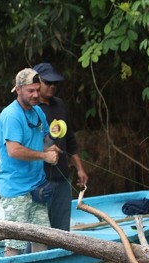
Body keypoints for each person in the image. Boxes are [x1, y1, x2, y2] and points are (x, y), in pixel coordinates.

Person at [0, 68, 61, 257]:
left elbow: (45, 140)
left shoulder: (38, 112)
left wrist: (52, 143)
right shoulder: (11, 115)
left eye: (37, 90)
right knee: (14, 243)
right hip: (15, 191)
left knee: (42, 238)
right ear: (18, 89)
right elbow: (14, 150)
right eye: (30, 91)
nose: (35, 95)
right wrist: (44, 156)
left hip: (37, 187)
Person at [33, 62, 89, 231]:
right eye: (48, 82)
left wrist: (80, 169)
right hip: (39, 180)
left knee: (62, 230)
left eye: (55, 83)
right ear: (37, 83)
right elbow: (26, 145)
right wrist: (47, 147)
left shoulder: (60, 104)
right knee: (40, 231)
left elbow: (70, 140)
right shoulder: (31, 109)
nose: (52, 86)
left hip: (63, 176)